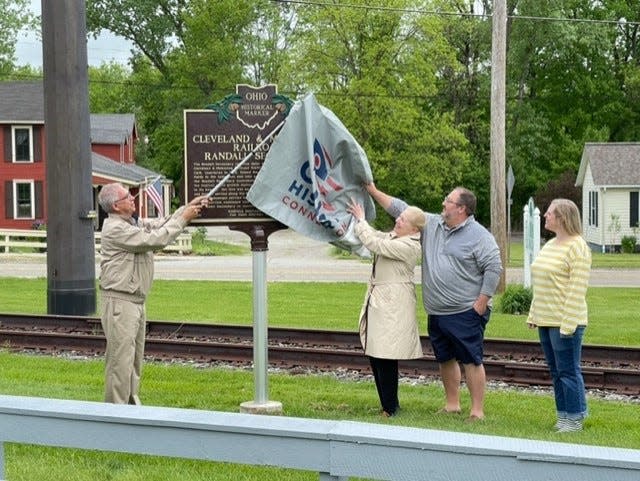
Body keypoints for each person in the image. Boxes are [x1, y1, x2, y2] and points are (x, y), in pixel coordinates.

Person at [365, 183, 502, 421]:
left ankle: (477, 411)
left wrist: (481, 302)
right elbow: (401, 208)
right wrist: (373, 190)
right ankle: (452, 404)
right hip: (437, 311)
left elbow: (493, 267)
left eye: (447, 201)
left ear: (461, 209)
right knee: (445, 358)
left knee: (471, 359)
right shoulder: (433, 224)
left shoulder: (479, 235)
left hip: (465, 310)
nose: (442, 204)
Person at [97, 182, 209, 404]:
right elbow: (156, 239)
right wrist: (184, 218)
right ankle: (115, 414)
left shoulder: (132, 223)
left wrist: (186, 208)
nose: (133, 198)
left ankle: (130, 405)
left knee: (134, 360)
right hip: (120, 301)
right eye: (128, 196)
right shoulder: (116, 229)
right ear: (116, 206)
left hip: (136, 301)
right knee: (120, 362)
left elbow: (160, 224)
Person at [346, 199, 426, 417]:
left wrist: (361, 220)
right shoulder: (395, 237)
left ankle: (390, 407)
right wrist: (357, 222)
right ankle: (387, 405)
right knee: (376, 353)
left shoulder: (410, 246)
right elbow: (375, 235)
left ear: (414, 229)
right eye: (399, 217)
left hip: (393, 305)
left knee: (386, 355)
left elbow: (376, 244)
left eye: (403, 219)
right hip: (382, 302)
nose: (398, 220)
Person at [526, 199, 591, 433]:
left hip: (565, 321)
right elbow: (542, 283)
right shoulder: (551, 244)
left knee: (568, 371)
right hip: (546, 320)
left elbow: (577, 288)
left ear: (562, 217)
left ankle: (575, 418)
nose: (545, 215)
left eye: (550, 212)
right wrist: (534, 314)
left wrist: (568, 323)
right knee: (555, 372)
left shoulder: (578, 247)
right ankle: (563, 416)